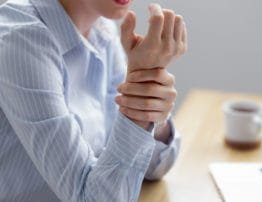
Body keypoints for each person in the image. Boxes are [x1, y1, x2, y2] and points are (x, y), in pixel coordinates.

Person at [0, 0, 187, 201]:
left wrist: (150, 105)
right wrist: (138, 104)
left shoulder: (102, 27)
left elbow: (155, 167)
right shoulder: (21, 39)